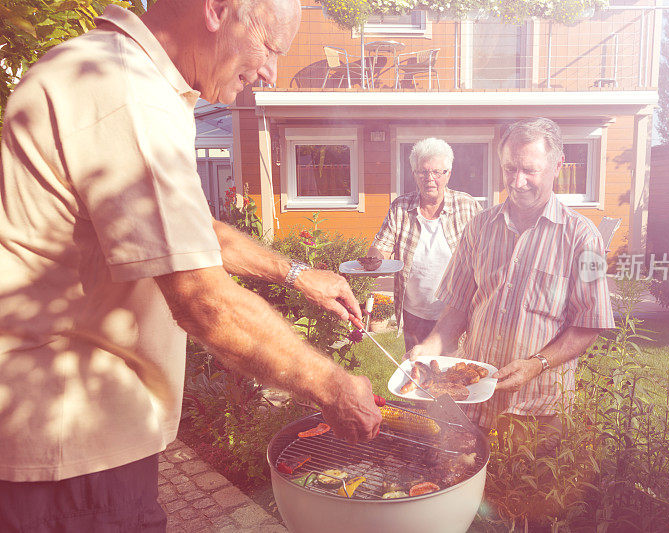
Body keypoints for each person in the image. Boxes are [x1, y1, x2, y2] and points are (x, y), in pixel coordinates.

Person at [0, 0, 381, 529]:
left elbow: (188, 231)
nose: (271, 70)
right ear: (219, 10)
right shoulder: (128, 95)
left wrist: (295, 275)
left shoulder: (114, 72)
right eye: (271, 46)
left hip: (74, 440)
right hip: (73, 446)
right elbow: (203, 301)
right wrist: (335, 388)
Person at [407, 119, 615, 442]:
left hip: (537, 411)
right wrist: (430, 347)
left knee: (523, 493)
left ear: (557, 165)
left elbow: (591, 322)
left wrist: (538, 363)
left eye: (529, 171)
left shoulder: (584, 238)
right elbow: (458, 308)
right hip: (473, 402)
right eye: (509, 169)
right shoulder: (479, 227)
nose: (517, 182)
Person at [368, 138, 481, 350]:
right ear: (414, 174)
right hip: (415, 316)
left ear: (448, 174)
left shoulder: (468, 206)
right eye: (423, 172)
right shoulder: (400, 207)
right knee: (418, 374)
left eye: (437, 172)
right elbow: (381, 246)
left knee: (453, 374)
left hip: (457, 314)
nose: (430, 178)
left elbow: (487, 255)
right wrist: (373, 259)